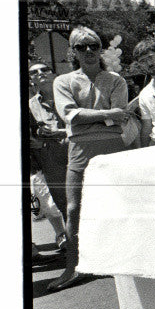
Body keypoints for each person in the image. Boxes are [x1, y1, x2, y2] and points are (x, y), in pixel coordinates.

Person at [50, 26, 130, 291]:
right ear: (72, 51)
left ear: (101, 49)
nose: (88, 51)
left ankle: (124, 259)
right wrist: (106, 115)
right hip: (79, 150)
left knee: (118, 205)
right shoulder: (63, 82)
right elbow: (69, 115)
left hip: (113, 147)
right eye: (81, 47)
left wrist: (86, 117)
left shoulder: (116, 79)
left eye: (93, 46)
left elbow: (121, 115)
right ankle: (73, 266)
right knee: (74, 209)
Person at [28, 63, 68, 257]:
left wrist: (59, 131)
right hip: (50, 160)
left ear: (54, 74)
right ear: (31, 80)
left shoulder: (68, 96)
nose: (40, 74)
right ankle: (67, 238)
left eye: (44, 70)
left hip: (75, 154)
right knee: (60, 202)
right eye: (34, 72)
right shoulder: (30, 105)